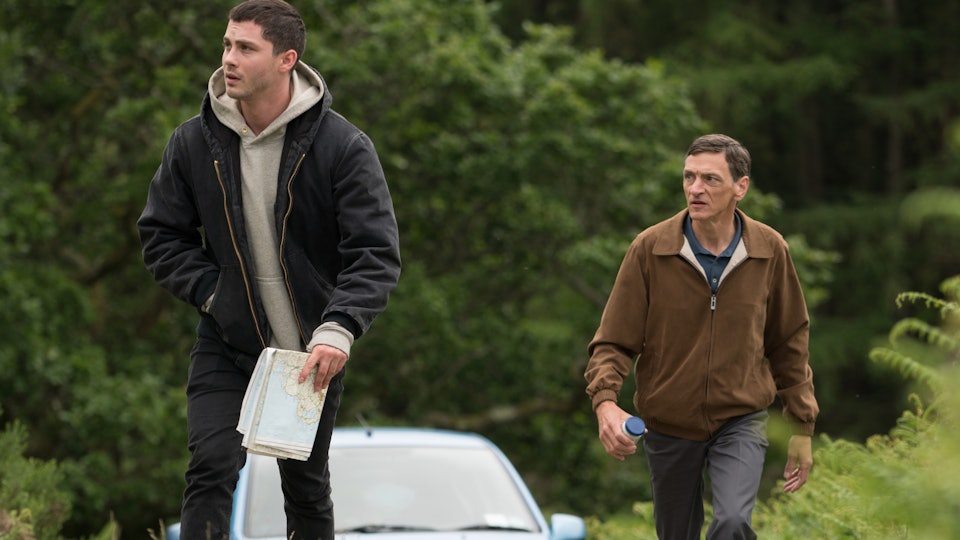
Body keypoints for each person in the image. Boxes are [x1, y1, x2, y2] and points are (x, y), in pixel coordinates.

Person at [137, 0, 401, 537]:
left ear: (286, 59)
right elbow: (161, 236)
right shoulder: (192, 142)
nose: (228, 59)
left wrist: (339, 328)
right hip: (227, 340)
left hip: (312, 353)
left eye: (246, 48)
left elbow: (374, 252)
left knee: (305, 490)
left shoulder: (343, 147)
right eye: (227, 45)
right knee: (210, 467)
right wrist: (213, 294)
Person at [584, 134, 818, 540]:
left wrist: (802, 425)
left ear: (740, 187)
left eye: (710, 179)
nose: (695, 189)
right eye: (689, 177)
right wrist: (605, 402)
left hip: (740, 418)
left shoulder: (769, 250)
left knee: (733, 523)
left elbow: (789, 342)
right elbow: (614, 340)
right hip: (668, 422)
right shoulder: (651, 249)